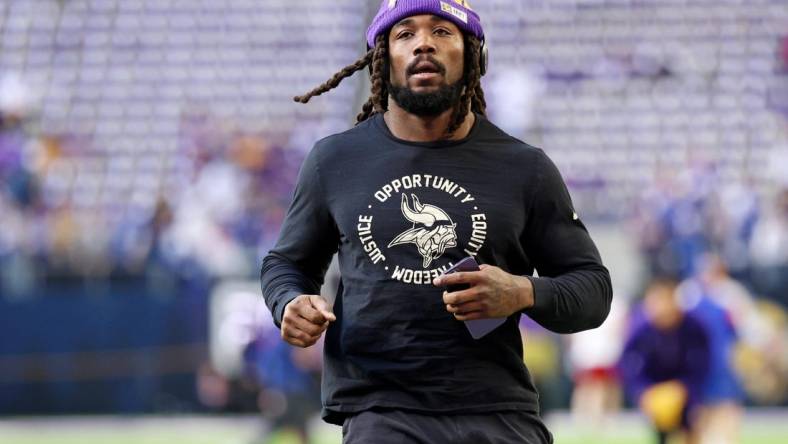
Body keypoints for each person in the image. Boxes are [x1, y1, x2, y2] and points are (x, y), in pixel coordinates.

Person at [261, 1, 612, 442]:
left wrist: (522, 291)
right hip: (381, 409)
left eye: (442, 32)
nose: (423, 42)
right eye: (404, 33)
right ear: (382, 58)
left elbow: (593, 290)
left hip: (498, 408)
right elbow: (286, 264)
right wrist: (290, 302)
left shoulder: (525, 168)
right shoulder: (333, 160)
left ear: (472, 54)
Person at [618, 278, 711, 444]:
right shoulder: (640, 328)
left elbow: (702, 363)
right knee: (661, 432)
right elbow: (629, 364)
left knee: (691, 428)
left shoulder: (693, 327)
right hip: (654, 391)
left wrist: (685, 388)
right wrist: (643, 391)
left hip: (684, 390)